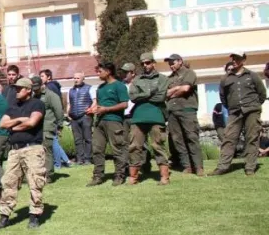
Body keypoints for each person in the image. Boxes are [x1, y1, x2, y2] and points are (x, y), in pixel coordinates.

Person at [0, 78, 47, 230]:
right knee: (8, 182)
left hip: (33, 149)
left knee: (35, 182)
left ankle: (34, 216)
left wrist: (15, 126)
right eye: (15, 89)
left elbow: (32, 123)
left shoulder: (37, 104)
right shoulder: (12, 107)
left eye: (19, 89)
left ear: (28, 90)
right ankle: (4, 217)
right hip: (14, 150)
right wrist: (20, 119)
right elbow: (2, 124)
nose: (16, 91)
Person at [213, 52, 267, 176]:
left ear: (244, 60)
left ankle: (250, 167)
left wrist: (254, 106)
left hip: (252, 111)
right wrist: (232, 106)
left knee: (251, 138)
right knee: (229, 138)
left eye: (237, 58)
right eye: (233, 58)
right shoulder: (225, 78)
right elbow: (223, 97)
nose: (234, 60)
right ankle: (222, 167)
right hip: (234, 112)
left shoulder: (252, 75)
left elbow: (262, 94)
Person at [127, 53, 171, 185]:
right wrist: (150, 92)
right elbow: (133, 97)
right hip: (138, 116)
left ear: (153, 63)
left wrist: (142, 95)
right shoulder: (136, 80)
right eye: (142, 64)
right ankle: (133, 178)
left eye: (147, 62)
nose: (145, 65)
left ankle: (164, 177)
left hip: (156, 115)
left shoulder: (163, 79)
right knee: (134, 146)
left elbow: (161, 97)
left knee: (158, 145)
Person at [86, 62, 129, 186]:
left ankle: (119, 176)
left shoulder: (119, 86)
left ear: (108, 71)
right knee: (97, 149)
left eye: (100, 71)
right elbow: (98, 105)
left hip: (114, 121)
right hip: (99, 122)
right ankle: (98, 176)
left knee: (117, 149)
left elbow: (124, 104)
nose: (98, 74)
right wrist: (91, 110)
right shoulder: (100, 88)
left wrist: (106, 109)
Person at [165, 54, 205, 176]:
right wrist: (176, 88)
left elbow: (186, 88)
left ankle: (198, 167)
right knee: (177, 139)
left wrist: (173, 91)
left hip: (187, 110)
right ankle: (187, 166)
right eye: (169, 63)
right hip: (172, 111)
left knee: (191, 137)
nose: (171, 65)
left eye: (173, 62)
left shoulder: (189, 73)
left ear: (180, 61)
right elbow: (164, 94)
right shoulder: (169, 78)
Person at [32, 76, 64, 180]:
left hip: (47, 127)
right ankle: (39, 173)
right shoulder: (33, 96)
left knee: (47, 151)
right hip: (36, 128)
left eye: (37, 88)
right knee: (37, 152)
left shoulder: (51, 95)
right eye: (33, 88)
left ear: (42, 85)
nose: (35, 90)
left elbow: (58, 110)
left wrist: (60, 125)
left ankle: (49, 175)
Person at [68, 71, 94, 165]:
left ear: (83, 78)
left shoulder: (89, 88)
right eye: (74, 78)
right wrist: (68, 114)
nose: (76, 80)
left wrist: (91, 109)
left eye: (78, 78)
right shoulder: (71, 90)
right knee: (77, 139)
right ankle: (80, 159)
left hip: (85, 116)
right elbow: (69, 103)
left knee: (88, 138)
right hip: (74, 118)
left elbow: (95, 100)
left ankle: (88, 159)